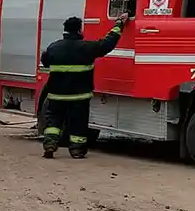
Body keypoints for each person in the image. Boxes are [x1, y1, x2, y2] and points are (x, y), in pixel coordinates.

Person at [40, 13, 129, 159]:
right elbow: (107, 44)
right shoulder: (87, 47)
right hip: (79, 97)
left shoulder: (53, 47)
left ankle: (50, 144)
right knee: (78, 123)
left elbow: (45, 61)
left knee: (54, 121)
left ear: (65, 30)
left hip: (56, 95)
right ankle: (77, 150)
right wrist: (119, 24)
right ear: (79, 30)